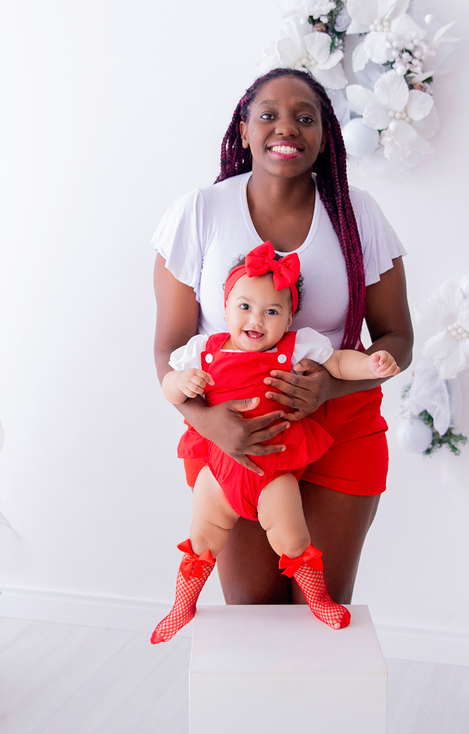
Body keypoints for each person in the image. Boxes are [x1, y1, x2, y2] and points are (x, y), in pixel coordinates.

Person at [151, 66, 412, 625]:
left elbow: (399, 339)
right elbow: (168, 351)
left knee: (318, 611)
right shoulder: (199, 212)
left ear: (324, 135)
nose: (285, 127)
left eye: (304, 117)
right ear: (243, 129)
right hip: (238, 432)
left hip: (343, 428)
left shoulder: (356, 214)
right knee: (253, 616)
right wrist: (212, 424)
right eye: (267, 114)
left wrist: (332, 386)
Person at [151, 242, 400, 643]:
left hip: (272, 473)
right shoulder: (203, 351)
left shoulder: (298, 346)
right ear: (225, 306)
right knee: (203, 537)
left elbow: (338, 362)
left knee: (292, 537)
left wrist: (370, 363)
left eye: (272, 312)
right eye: (245, 307)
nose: (257, 319)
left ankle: (318, 599)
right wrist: (181, 383)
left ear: (288, 319)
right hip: (219, 472)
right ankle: (183, 604)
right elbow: (168, 385)